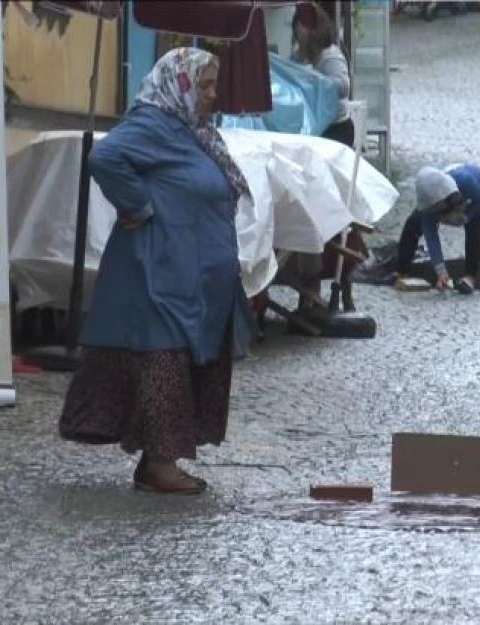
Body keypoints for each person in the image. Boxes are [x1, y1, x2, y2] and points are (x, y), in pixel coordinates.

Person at [59, 48, 257, 495]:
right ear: (178, 83)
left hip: (192, 276)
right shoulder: (153, 123)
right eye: (203, 85)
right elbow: (105, 158)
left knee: (178, 363)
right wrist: (138, 206)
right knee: (162, 363)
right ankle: (161, 466)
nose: (212, 94)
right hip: (159, 269)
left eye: (212, 84)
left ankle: (157, 461)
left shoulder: (191, 131)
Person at [395, 163, 480, 294]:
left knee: (474, 227)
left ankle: (470, 276)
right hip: (442, 197)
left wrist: (467, 217)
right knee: (412, 226)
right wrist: (441, 271)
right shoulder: (428, 203)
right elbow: (431, 236)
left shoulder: (466, 182)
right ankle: (402, 272)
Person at [293, 4, 354, 148]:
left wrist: (316, 82)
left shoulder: (329, 54)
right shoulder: (298, 56)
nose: (299, 30)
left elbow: (344, 86)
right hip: (314, 125)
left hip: (335, 127)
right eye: (298, 25)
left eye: (303, 25)